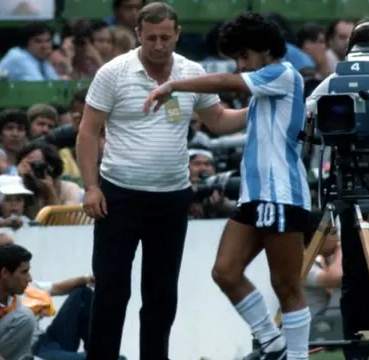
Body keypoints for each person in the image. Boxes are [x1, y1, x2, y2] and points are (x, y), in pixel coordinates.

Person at [76, 3, 248, 360]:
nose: (158, 45)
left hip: (171, 198)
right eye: (151, 37)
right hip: (118, 195)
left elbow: (217, 120)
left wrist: (261, 108)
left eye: (165, 37)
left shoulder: (192, 72)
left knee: (161, 293)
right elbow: (88, 133)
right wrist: (91, 186)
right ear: (138, 34)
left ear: (178, 34)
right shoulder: (114, 72)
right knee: (111, 290)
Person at [144, 12, 311, 360]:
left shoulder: (283, 74)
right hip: (255, 196)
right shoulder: (266, 89)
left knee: (286, 285)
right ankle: (273, 343)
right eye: (236, 58)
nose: (240, 65)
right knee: (225, 271)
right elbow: (222, 120)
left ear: (265, 49)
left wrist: (175, 85)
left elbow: (228, 84)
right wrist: (191, 105)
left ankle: (296, 356)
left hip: (281, 194)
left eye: (243, 56)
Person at [305, 19, 369, 360]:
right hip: (356, 188)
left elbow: (309, 116)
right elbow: (312, 117)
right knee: (357, 274)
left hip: (356, 190)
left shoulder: (335, 83)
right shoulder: (335, 82)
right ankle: (357, 348)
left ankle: (357, 351)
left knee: (357, 276)